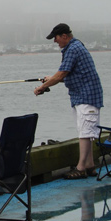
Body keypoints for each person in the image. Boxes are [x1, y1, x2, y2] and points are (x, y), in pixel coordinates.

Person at [34, 23, 104, 179]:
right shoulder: (76, 46)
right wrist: (50, 79)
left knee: (85, 133)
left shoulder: (73, 49)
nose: (55, 41)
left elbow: (61, 75)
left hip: (87, 96)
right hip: (83, 96)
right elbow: (67, 74)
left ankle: (80, 168)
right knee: (85, 131)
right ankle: (90, 165)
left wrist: (42, 87)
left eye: (56, 38)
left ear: (64, 36)